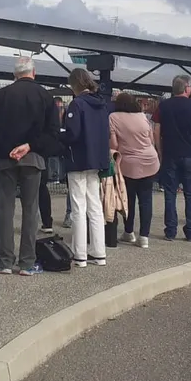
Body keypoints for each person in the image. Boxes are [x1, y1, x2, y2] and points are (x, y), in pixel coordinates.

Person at [0, 57, 61, 276]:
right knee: (31, 209)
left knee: (5, 209)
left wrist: (8, 141)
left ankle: (5, 261)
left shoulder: (2, 94)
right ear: (34, 72)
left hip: (5, 157)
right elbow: (53, 131)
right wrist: (30, 145)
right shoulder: (45, 96)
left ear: (14, 74)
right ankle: (27, 263)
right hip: (33, 157)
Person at [61, 67, 111, 266]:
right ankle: (99, 252)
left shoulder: (77, 104)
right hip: (96, 160)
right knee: (95, 206)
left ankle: (79, 254)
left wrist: (61, 136)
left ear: (74, 84)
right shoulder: (102, 104)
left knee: (78, 207)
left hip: (78, 159)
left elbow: (73, 134)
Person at [153, 74, 191, 243]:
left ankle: (170, 231)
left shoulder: (163, 106)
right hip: (190, 155)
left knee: (170, 194)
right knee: (190, 194)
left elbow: (156, 132)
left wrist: (160, 152)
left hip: (170, 154)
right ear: (186, 88)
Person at [109, 91, 159, 249]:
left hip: (128, 164)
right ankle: (144, 236)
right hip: (149, 161)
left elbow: (114, 144)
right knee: (146, 200)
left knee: (128, 199)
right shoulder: (142, 116)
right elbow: (151, 139)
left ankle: (128, 232)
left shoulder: (113, 117)